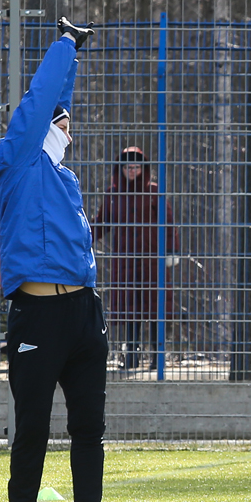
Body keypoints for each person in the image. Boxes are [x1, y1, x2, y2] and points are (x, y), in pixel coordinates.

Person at [0, 17, 107, 502]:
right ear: (39, 132)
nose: (67, 132)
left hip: (84, 312)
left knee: (89, 427)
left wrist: (73, 63)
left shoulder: (62, 177)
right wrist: (66, 44)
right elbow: (42, 101)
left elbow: (58, 104)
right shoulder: (18, 163)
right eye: (62, 126)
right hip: (37, 316)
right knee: (32, 424)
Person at [94, 146, 180, 372]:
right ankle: (131, 356)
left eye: (136, 167)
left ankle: (157, 358)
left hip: (153, 260)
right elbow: (101, 223)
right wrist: (81, 240)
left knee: (156, 310)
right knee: (129, 310)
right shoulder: (113, 194)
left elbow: (168, 223)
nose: (132, 171)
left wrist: (171, 251)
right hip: (125, 261)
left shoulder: (154, 192)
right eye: (127, 167)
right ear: (120, 169)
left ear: (143, 168)